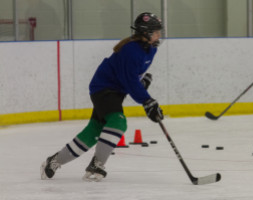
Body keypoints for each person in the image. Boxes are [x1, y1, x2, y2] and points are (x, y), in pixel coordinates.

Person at [40, 12, 164, 182]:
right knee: (118, 122)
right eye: (156, 31)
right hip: (103, 89)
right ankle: (97, 164)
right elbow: (128, 79)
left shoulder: (151, 49)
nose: (159, 35)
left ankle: (53, 161)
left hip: (115, 91)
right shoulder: (131, 50)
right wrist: (147, 100)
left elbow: (130, 77)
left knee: (93, 132)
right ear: (145, 32)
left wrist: (141, 84)